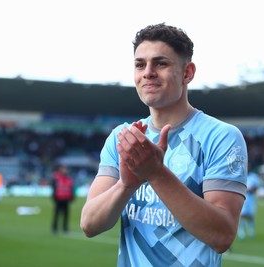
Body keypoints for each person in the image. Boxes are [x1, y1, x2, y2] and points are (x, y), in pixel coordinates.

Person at [80, 23, 248, 267]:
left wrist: (155, 173)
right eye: (140, 64)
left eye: (161, 63)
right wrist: (127, 184)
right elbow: (89, 224)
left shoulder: (221, 137)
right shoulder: (124, 138)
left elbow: (221, 236)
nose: (148, 72)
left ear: (187, 73)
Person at [238, 167, 261, 240]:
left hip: (251, 198)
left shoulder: (254, 177)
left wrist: (250, 189)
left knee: (251, 216)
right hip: (243, 197)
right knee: (242, 215)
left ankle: (251, 231)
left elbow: (256, 187)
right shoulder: (241, 175)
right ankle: (241, 232)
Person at [51, 164, 74, 234]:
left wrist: (72, 197)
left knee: (66, 215)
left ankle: (65, 228)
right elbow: (54, 188)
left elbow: (71, 189)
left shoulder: (69, 179)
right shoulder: (56, 178)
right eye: (63, 169)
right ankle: (54, 229)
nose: (64, 170)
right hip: (59, 199)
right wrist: (54, 197)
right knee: (56, 214)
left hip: (66, 199)